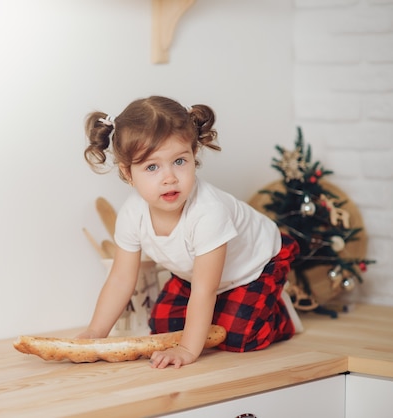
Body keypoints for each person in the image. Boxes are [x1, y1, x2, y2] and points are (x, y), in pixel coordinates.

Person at [78, 96, 299, 369]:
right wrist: (95, 333)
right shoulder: (131, 214)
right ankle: (226, 309)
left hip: (256, 265)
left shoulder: (208, 212)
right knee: (162, 328)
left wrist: (187, 350)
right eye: (152, 167)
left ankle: (280, 313)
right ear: (128, 173)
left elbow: (205, 290)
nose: (169, 177)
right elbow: (121, 280)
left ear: (194, 155)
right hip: (194, 275)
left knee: (239, 336)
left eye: (179, 161)